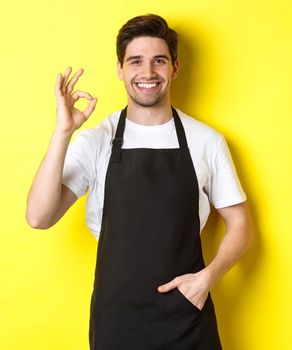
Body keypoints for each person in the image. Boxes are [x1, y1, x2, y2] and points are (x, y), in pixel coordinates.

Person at [25, 13, 253, 349]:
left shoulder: (206, 141)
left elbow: (241, 225)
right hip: (116, 321)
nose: (147, 73)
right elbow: (39, 217)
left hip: (187, 318)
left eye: (159, 61)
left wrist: (208, 278)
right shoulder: (96, 140)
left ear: (174, 68)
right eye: (136, 61)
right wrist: (64, 131)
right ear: (120, 69)